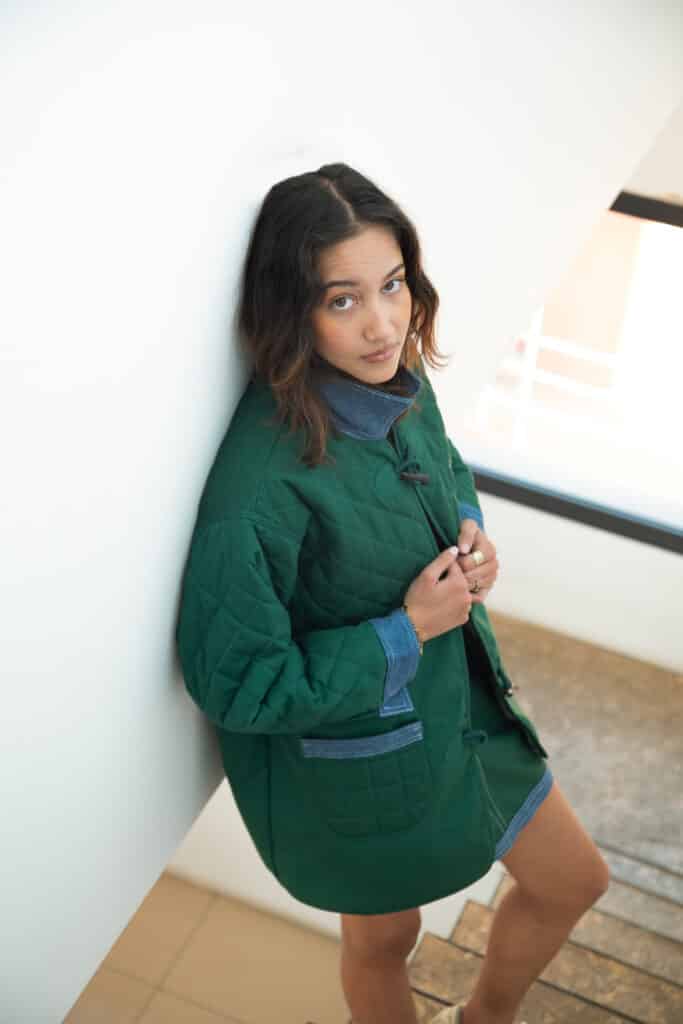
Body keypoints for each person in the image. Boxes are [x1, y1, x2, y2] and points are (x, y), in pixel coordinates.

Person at [175, 162, 610, 1024]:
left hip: (465, 707)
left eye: (393, 284)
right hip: (363, 760)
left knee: (573, 881)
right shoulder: (256, 490)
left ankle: (483, 1018)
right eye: (342, 300)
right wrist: (407, 628)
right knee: (383, 940)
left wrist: (467, 527)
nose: (382, 324)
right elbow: (241, 686)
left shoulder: (396, 377)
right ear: (289, 310)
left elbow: (443, 466)